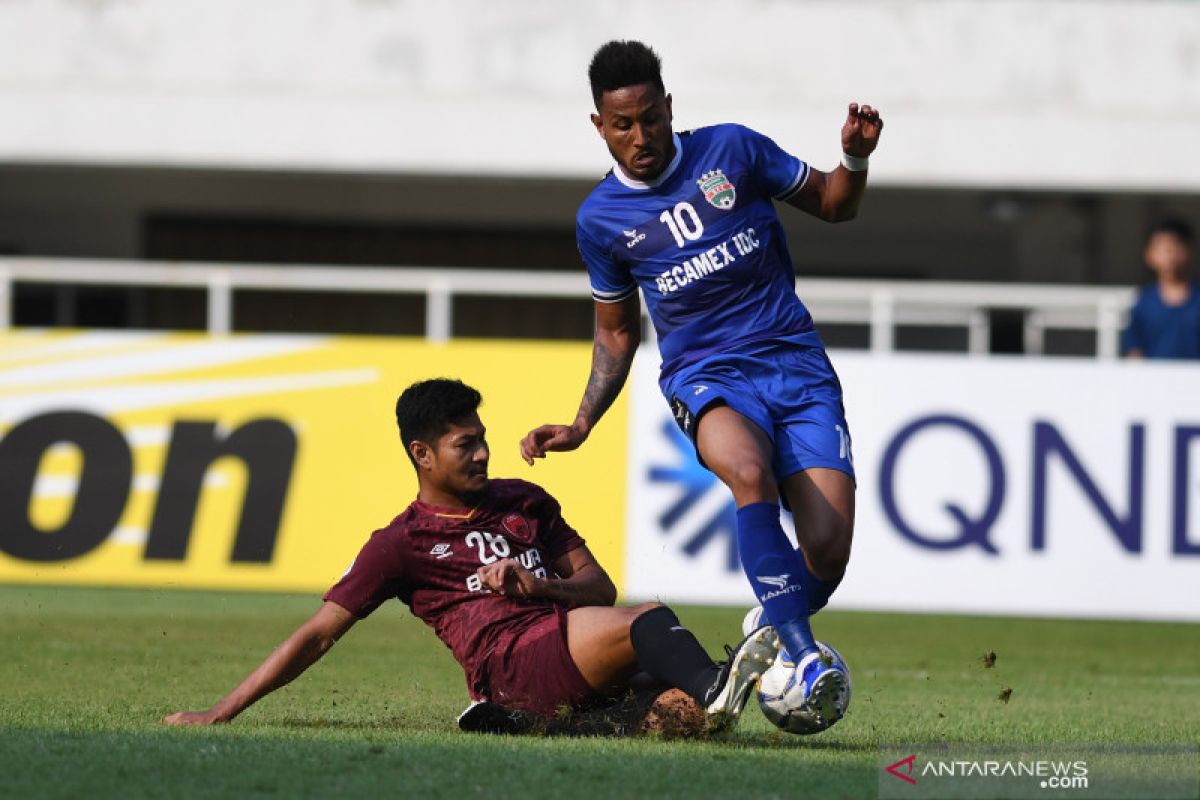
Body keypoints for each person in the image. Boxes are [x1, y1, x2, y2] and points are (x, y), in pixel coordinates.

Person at [519, 40, 883, 727]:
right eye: (622, 125)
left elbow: (836, 203)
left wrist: (856, 156)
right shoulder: (600, 221)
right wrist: (582, 421)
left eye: (650, 118)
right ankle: (803, 658)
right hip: (705, 375)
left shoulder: (733, 152)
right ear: (599, 126)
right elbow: (617, 332)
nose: (640, 137)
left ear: (669, 108)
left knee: (829, 555)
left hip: (796, 366)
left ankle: (772, 620)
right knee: (748, 472)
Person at [164, 378, 778, 734]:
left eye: (482, 439)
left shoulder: (525, 500)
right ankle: (718, 684)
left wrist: (541, 590)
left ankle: (539, 728)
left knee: (687, 715)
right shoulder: (399, 543)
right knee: (650, 620)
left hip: (568, 645)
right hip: (509, 661)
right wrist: (219, 711)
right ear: (422, 454)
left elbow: (597, 588)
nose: (483, 453)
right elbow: (318, 635)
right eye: (466, 445)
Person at [1121, 218, 1200, 360]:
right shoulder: (1144, 302)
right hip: (1155, 380)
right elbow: (1135, 350)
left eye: (1176, 247)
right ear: (1149, 254)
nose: (1170, 256)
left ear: (1190, 251)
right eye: (1164, 249)